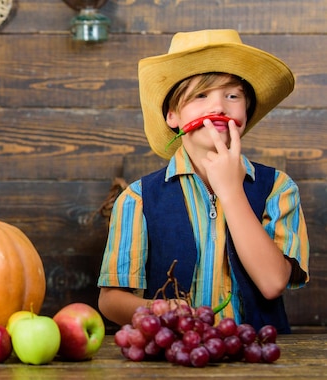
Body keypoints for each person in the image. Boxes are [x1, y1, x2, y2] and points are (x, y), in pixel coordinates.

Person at [97, 29, 310, 333]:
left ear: (245, 113)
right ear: (173, 116)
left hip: (258, 362)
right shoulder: (137, 199)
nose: (219, 108)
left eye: (232, 95)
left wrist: (231, 191)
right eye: (201, 95)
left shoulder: (279, 188)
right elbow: (110, 301)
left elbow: (273, 283)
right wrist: (161, 311)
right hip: (174, 362)